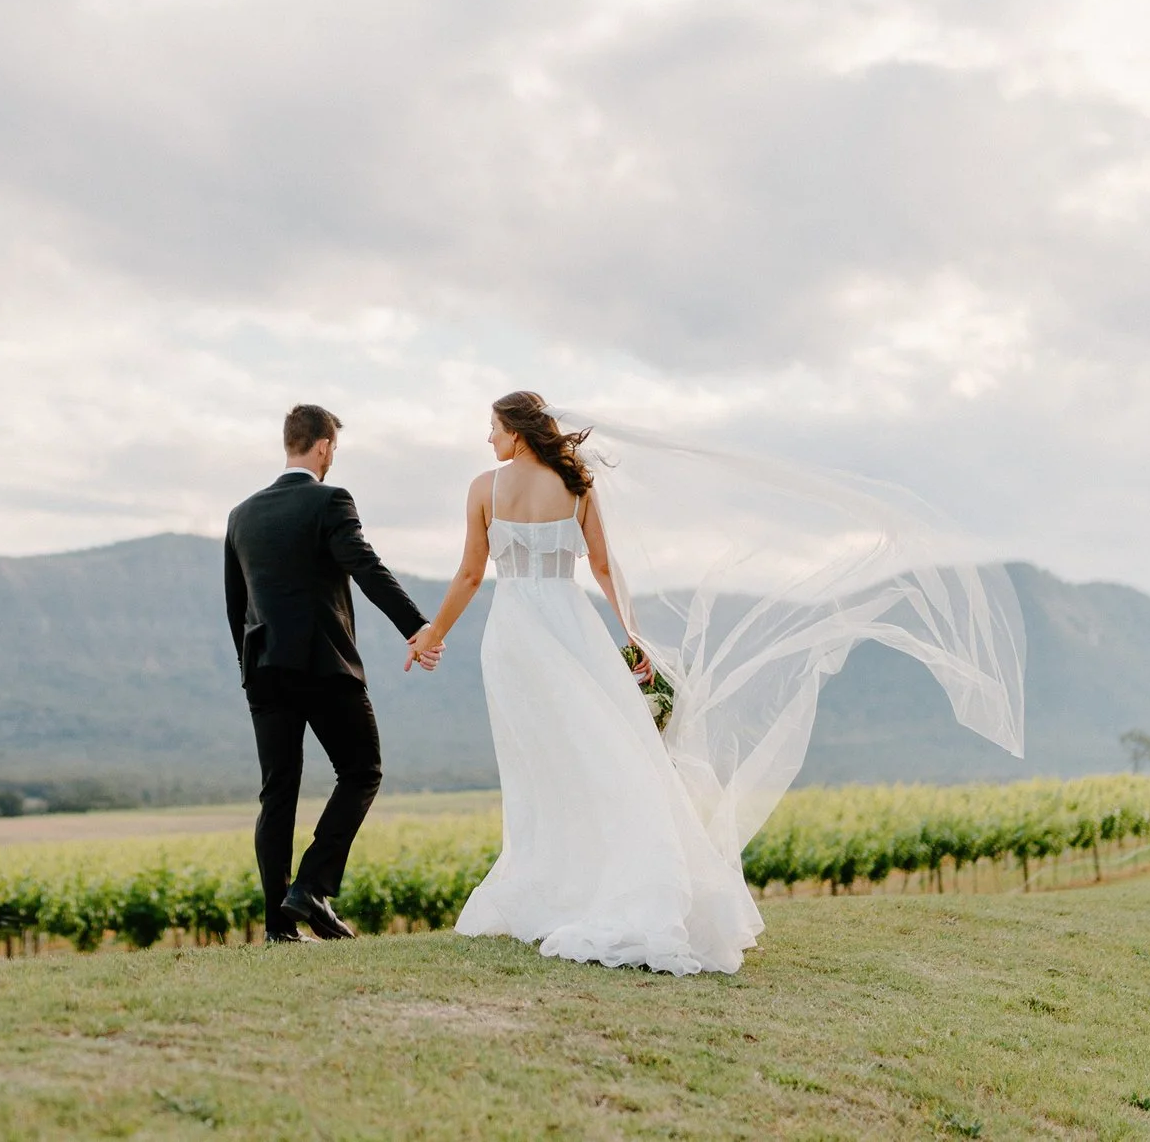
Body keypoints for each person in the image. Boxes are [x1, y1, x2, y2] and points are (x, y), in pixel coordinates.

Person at [408, 392, 763, 973]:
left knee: (537, 763)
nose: (489, 440)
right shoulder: (577, 486)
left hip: (514, 634)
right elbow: (602, 566)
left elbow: (472, 572)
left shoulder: (482, 488)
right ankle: (601, 880)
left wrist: (434, 634)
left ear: (517, 434)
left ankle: (556, 888)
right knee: (602, 751)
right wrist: (633, 638)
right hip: (572, 626)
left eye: (494, 429)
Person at [224, 403, 436, 942]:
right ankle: (311, 886)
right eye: (333, 448)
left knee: (278, 795)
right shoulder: (330, 500)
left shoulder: (241, 514)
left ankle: (278, 927)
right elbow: (366, 568)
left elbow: (236, 604)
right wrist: (418, 627)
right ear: (323, 446)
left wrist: (250, 670)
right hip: (323, 665)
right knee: (363, 770)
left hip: (264, 668)